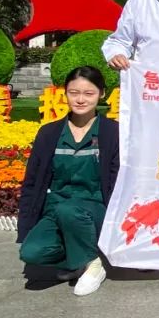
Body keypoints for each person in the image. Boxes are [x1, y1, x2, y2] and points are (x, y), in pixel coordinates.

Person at [17, 66, 120, 296]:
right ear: (65, 93)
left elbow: (119, 181)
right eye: (74, 93)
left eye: (89, 93)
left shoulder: (113, 133)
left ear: (102, 93)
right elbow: (32, 182)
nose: (80, 99)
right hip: (56, 209)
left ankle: (94, 264)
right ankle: (80, 259)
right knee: (32, 252)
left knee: (70, 210)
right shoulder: (49, 133)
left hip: (96, 209)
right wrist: (25, 226)